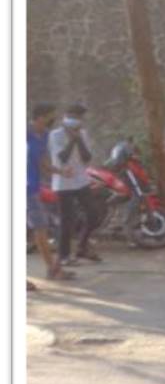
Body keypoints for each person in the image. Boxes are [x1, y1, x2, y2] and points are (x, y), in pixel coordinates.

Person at [26, 102, 73, 287]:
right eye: (50, 116)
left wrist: (61, 172)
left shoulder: (43, 136)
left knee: (40, 228)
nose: (52, 120)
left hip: (32, 188)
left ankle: (52, 269)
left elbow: (43, 163)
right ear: (39, 117)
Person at [48, 102, 98, 267]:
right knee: (67, 220)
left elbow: (86, 158)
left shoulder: (83, 133)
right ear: (67, 116)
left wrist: (78, 139)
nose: (78, 119)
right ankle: (64, 256)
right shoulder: (55, 135)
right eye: (75, 116)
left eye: (80, 116)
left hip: (81, 180)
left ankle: (82, 246)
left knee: (93, 214)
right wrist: (72, 140)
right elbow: (62, 157)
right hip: (63, 183)